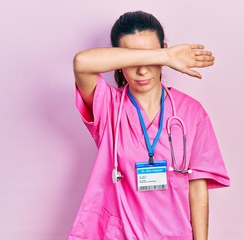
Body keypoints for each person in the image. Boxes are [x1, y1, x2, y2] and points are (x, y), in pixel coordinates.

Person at [67, 11, 230, 240]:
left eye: (150, 58)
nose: (142, 70)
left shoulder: (192, 113)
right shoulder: (109, 106)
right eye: (132, 59)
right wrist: (161, 56)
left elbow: (197, 185)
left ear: (163, 48)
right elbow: (81, 63)